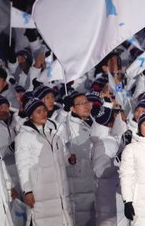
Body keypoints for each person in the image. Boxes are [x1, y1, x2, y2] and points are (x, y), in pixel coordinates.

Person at [15, 97, 74, 225]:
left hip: (59, 189)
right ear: (30, 115)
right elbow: (22, 165)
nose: (43, 113)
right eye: (38, 111)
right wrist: (27, 190)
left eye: (44, 110)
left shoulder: (53, 132)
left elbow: (62, 156)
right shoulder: (24, 136)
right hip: (40, 190)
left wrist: (69, 159)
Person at [63, 91, 96, 226]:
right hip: (78, 183)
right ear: (73, 108)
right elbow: (60, 147)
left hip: (93, 181)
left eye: (86, 102)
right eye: (80, 104)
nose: (85, 106)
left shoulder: (92, 122)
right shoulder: (67, 125)